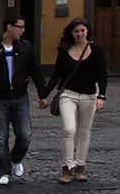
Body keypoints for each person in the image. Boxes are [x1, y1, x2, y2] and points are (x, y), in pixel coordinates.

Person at [0, 16, 47, 185]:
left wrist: (42, 94)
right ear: (9, 27)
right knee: (0, 138)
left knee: (25, 134)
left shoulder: (26, 48)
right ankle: (4, 172)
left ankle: (16, 158)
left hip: (20, 97)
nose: (22, 31)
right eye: (19, 27)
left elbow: (35, 71)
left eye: (23, 27)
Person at [39, 18, 108, 183]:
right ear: (71, 33)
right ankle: (66, 167)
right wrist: (44, 94)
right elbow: (56, 75)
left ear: (87, 31)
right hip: (68, 94)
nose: (79, 34)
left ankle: (80, 166)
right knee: (69, 129)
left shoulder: (96, 49)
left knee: (84, 132)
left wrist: (102, 96)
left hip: (89, 95)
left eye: (82, 30)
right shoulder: (65, 50)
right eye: (76, 31)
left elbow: (103, 74)